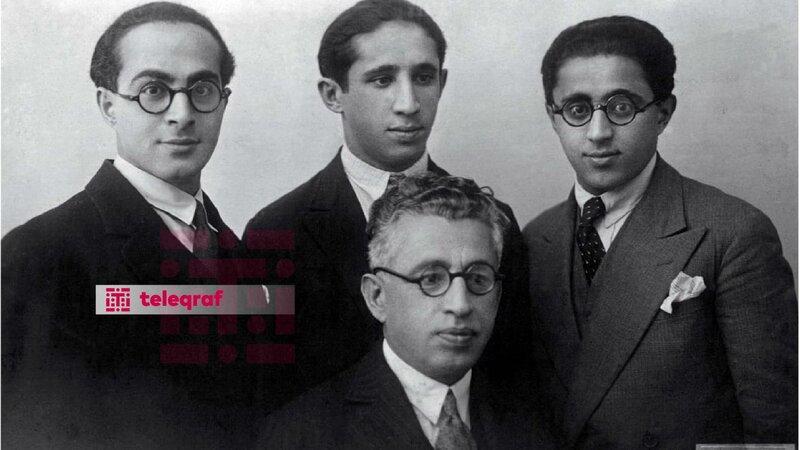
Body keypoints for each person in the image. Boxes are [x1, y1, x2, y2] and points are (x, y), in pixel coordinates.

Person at [524, 15, 797, 448]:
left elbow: (773, 431)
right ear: (553, 118)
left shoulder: (732, 234)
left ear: (663, 113)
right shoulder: (534, 239)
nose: (598, 133)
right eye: (577, 110)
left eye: (621, 107)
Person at [2, 3, 262, 447]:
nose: (182, 113)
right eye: (153, 90)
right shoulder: (42, 254)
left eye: (202, 89)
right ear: (108, 105)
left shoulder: (240, 252)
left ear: (223, 101)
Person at [243, 0, 530, 398]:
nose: (409, 104)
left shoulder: (493, 222)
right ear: (333, 94)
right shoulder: (275, 232)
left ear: (442, 83)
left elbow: (511, 381)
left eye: (424, 77)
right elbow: (265, 395)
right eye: (382, 80)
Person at [260, 173, 554, 449]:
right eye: (431, 279)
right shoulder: (301, 435)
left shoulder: (538, 420)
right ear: (377, 297)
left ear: (498, 294)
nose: (460, 304)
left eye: (478, 279)